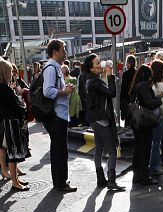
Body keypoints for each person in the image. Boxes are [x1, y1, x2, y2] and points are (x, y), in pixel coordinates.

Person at [85, 54, 124, 191]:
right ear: (91, 69)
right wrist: (110, 75)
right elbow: (112, 93)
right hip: (101, 120)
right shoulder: (95, 82)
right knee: (112, 149)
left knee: (99, 149)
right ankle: (111, 181)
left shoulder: (91, 81)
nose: (99, 64)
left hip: (95, 120)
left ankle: (100, 179)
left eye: (99, 62)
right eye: (96, 63)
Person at [42, 39, 77, 192]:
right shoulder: (51, 68)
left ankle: (61, 181)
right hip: (56, 116)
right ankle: (60, 182)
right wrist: (65, 91)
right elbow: (47, 91)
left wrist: (64, 89)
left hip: (59, 115)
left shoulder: (55, 67)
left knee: (60, 150)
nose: (65, 53)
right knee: (59, 151)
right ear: (55, 52)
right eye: (63, 50)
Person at [0, 59, 30, 191]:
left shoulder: (4, 87)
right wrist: (23, 107)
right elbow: (14, 107)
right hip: (11, 122)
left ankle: (15, 179)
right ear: (5, 72)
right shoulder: (3, 88)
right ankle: (15, 182)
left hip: (11, 121)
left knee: (13, 152)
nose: (11, 73)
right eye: (9, 71)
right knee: (13, 152)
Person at [129, 64, 162, 186]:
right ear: (147, 75)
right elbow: (150, 104)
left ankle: (137, 175)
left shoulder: (136, 85)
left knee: (138, 149)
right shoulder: (143, 86)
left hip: (137, 121)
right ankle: (144, 176)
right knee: (144, 149)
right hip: (144, 122)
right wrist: (158, 98)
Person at [148, 59, 163, 177]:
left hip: (149, 117)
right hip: (159, 117)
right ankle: (154, 167)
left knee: (151, 142)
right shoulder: (160, 84)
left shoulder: (150, 83)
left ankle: (150, 165)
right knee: (156, 143)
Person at [119, 55, 137, 124]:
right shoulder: (137, 72)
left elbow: (123, 89)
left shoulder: (126, 74)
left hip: (127, 100)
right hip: (135, 100)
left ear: (129, 64)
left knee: (128, 121)